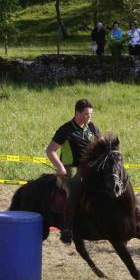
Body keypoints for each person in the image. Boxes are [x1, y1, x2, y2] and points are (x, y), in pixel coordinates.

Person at [46, 99, 102, 243]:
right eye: (85, 114)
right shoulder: (65, 130)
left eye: (90, 114)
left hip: (90, 169)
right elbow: (50, 150)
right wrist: (60, 167)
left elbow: (102, 148)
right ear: (76, 113)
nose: (88, 117)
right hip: (71, 169)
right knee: (76, 188)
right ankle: (67, 229)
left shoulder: (93, 128)